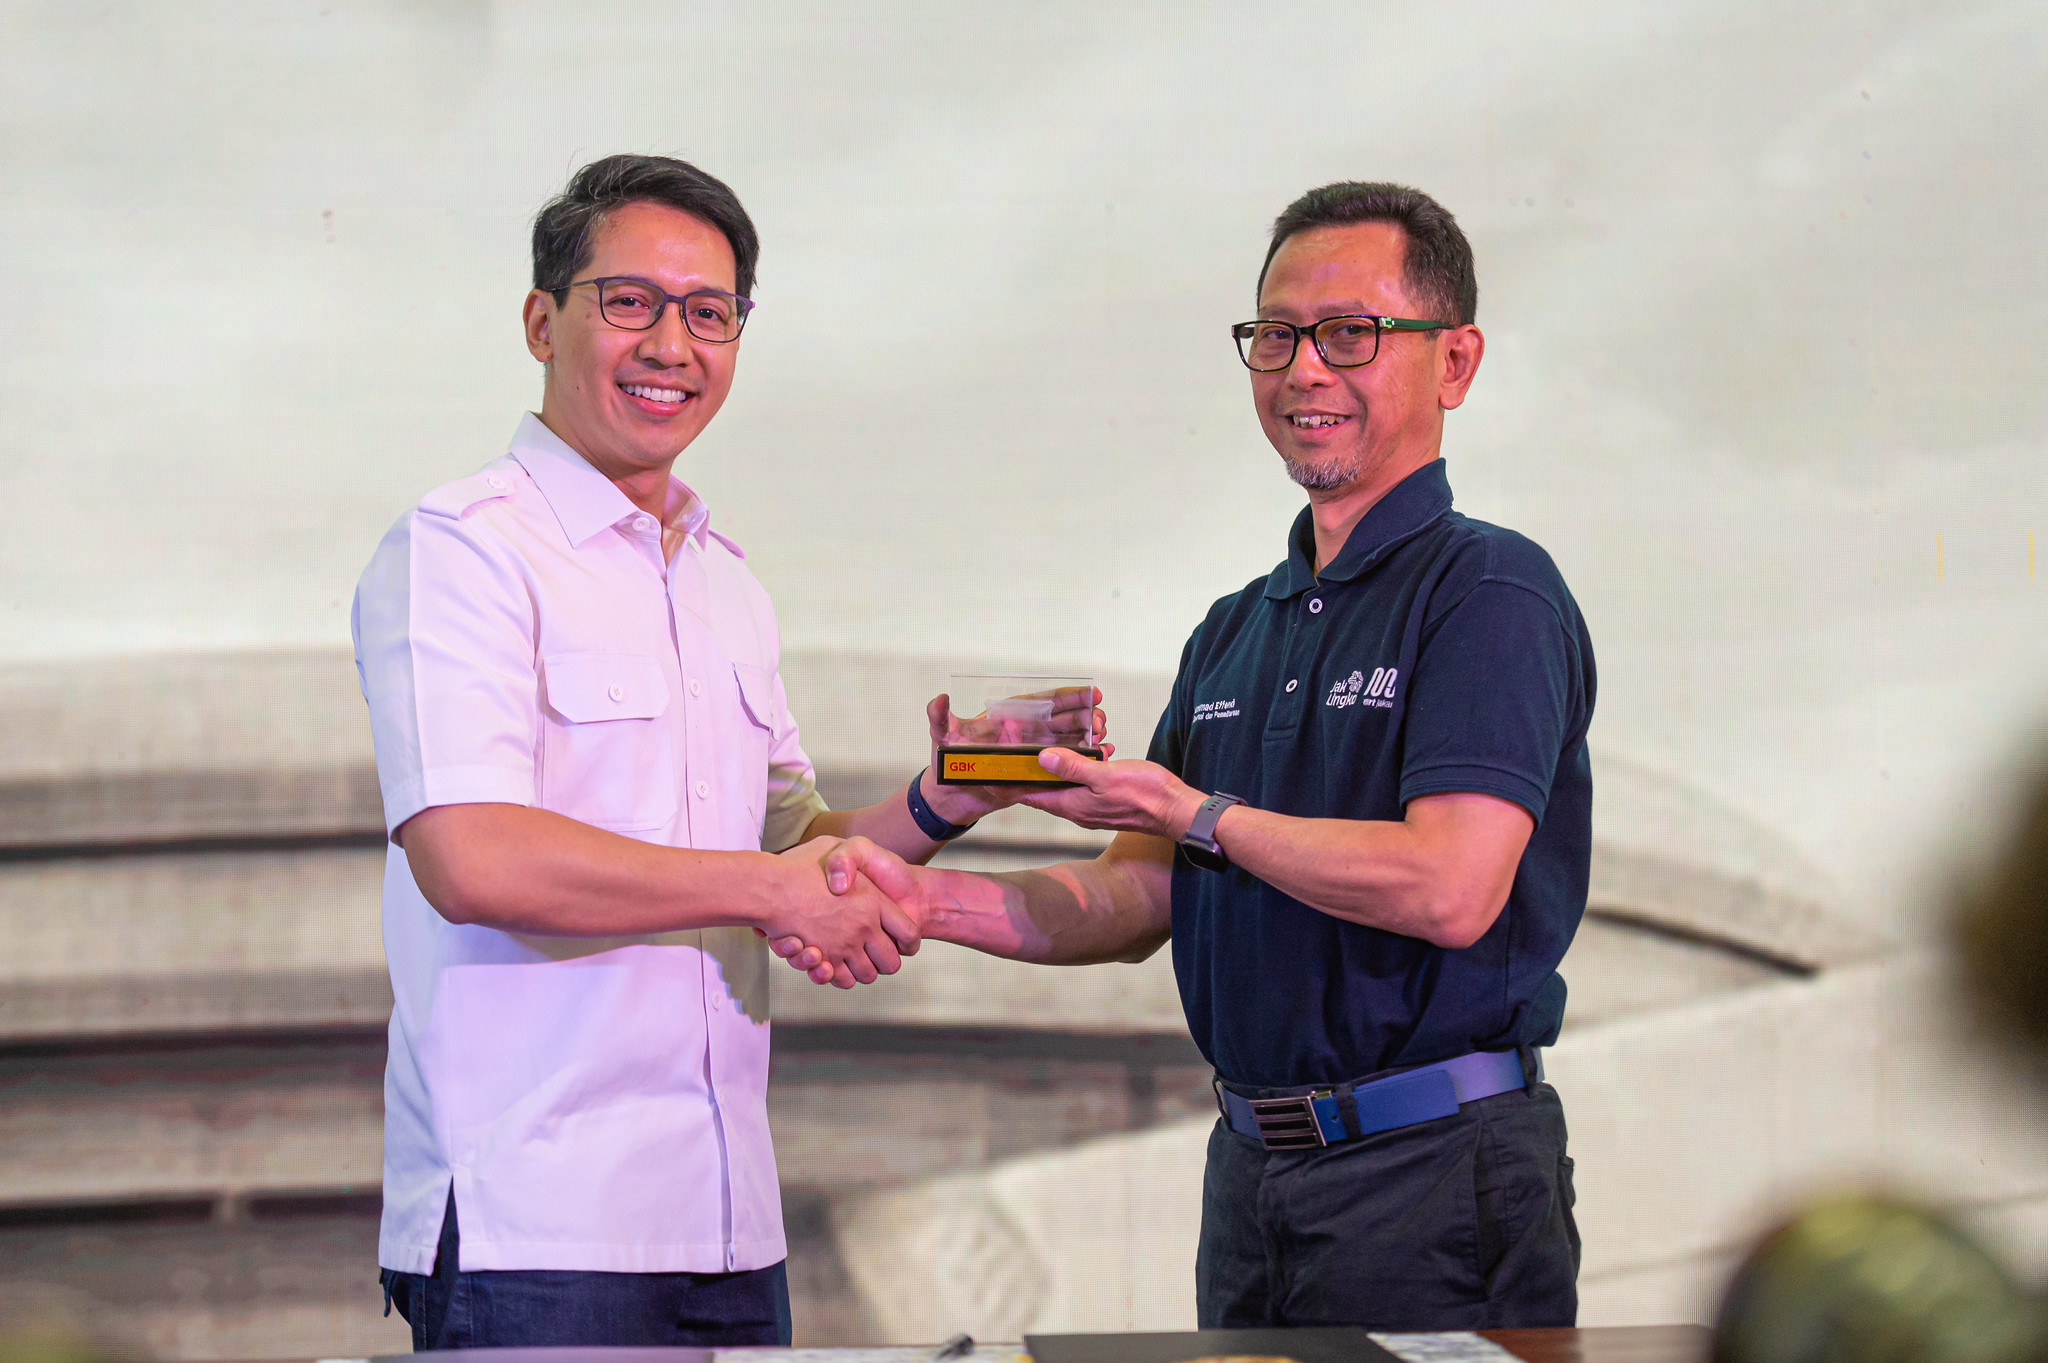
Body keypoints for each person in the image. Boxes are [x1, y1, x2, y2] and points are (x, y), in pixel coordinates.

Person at [796, 182, 1595, 1329]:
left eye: (1347, 333)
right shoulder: (1232, 632)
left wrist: (1195, 812)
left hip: (1434, 1173)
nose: (1302, 369)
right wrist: (921, 900)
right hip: (1251, 1180)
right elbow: (1134, 898)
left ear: (1453, 362)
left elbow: (1448, 885)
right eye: (1275, 335)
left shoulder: (1488, 592)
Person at [351, 153, 1097, 1350]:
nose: (671, 345)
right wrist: (773, 889)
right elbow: (472, 858)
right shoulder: (462, 549)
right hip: (533, 1225)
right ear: (542, 320)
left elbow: (795, 843)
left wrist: (947, 794)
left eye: (710, 313)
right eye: (630, 302)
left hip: (730, 1223)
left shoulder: (726, 585)